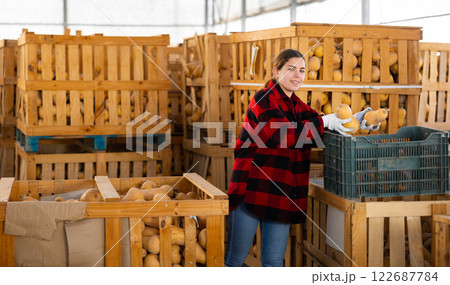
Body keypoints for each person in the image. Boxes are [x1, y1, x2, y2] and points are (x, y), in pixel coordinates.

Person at [225, 48, 379, 267]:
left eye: (302, 70)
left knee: (273, 263)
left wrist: (358, 119)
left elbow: (323, 126)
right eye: (291, 69)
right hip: (251, 188)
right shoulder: (262, 99)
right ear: (276, 72)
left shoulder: (297, 105)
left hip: (280, 192)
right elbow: (283, 134)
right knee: (234, 261)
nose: (298, 75)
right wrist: (325, 123)